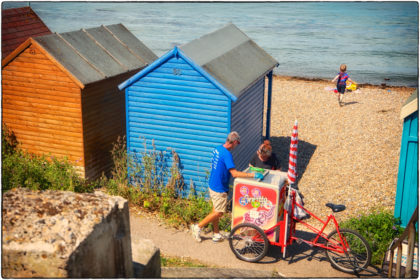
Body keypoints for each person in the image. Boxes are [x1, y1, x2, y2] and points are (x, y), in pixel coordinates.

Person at [190, 131, 264, 243]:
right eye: (237, 143)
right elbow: (234, 173)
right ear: (234, 142)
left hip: (213, 183)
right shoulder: (227, 154)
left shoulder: (218, 149)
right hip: (219, 187)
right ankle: (198, 227)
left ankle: (216, 234)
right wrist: (253, 175)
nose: (237, 146)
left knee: (216, 209)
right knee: (219, 212)